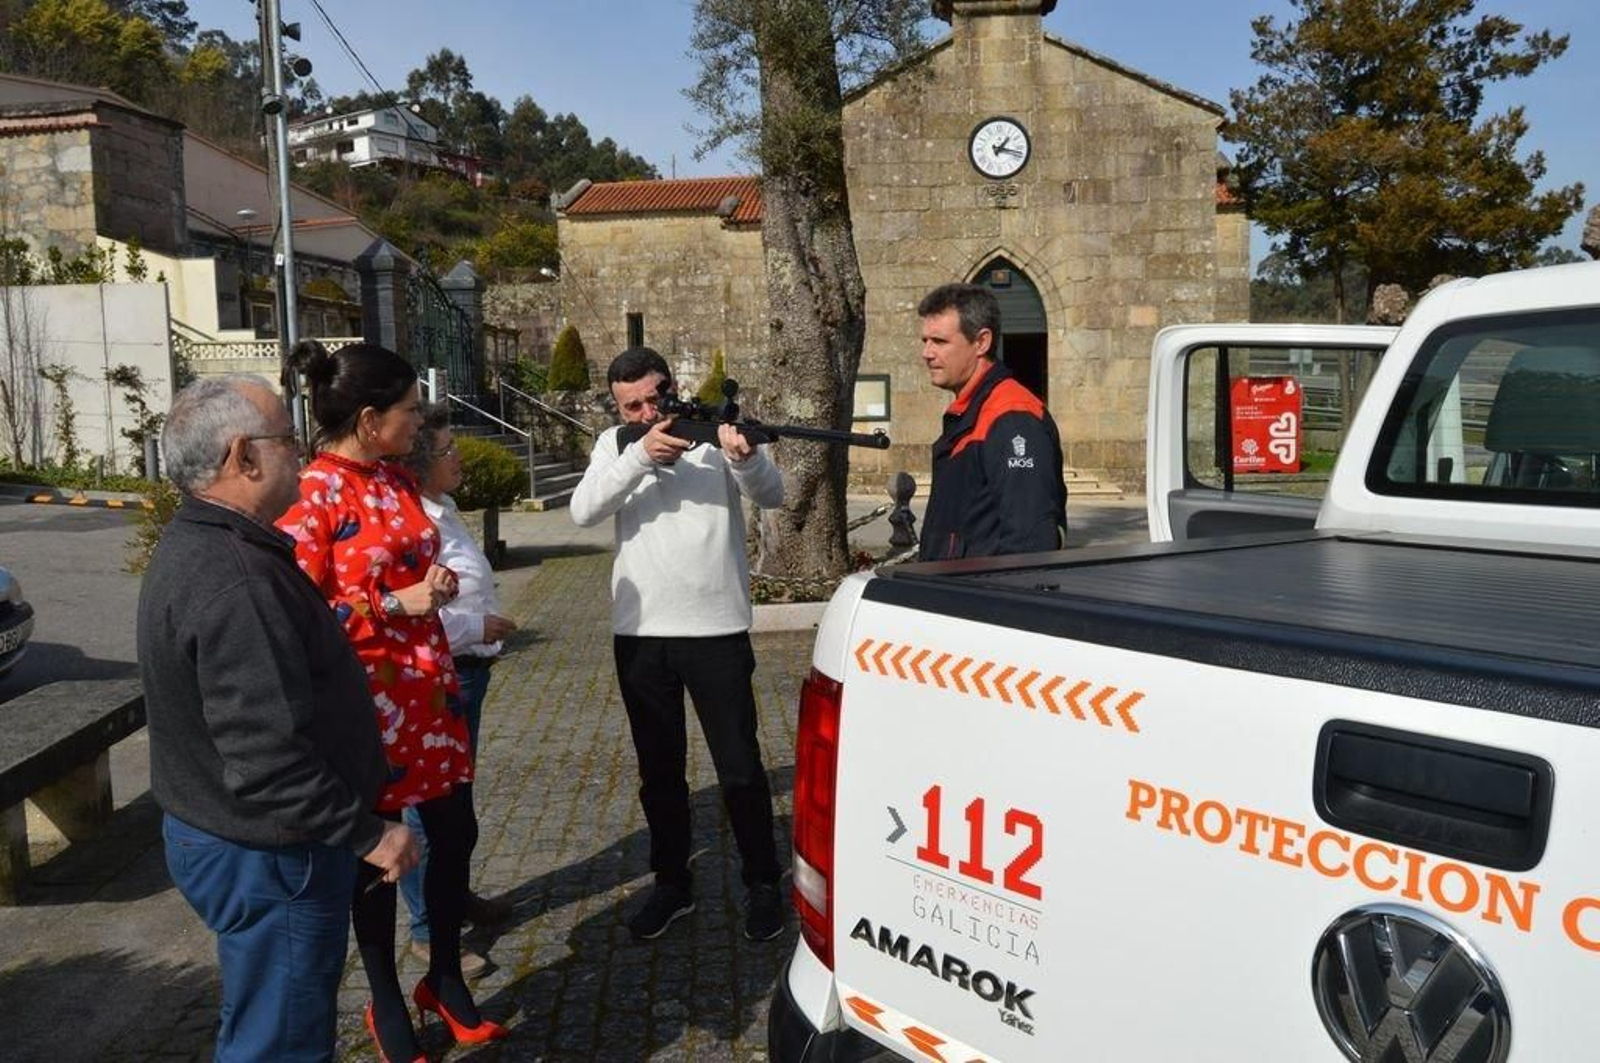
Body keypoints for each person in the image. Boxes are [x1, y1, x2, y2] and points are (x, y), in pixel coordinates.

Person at [139, 375, 419, 1062]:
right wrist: (366, 834)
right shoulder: (234, 577)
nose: (300, 454)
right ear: (244, 457)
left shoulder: (210, 544)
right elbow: (267, 754)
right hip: (267, 852)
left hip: (237, 836)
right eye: (287, 441)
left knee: (267, 1014)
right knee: (282, 1038)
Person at [277, 341, 508, 1061]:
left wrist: (433, 589)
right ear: (372, 418)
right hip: (367, 709)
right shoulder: (312, 494)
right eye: (409, 411)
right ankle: (383, 995)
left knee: (455, 832)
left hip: (430, 691)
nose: (420, 422)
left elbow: (413, 561)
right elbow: (296, 616)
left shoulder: (395, 480)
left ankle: (442, 970)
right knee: (382, 858)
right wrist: (390, 603)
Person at [570, 346, 788, 942]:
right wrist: (639, 454)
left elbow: (773, 494)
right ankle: (672, 883)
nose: (645, 411)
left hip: (716, 628)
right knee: (658, 773)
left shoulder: (713, 433)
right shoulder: (617, 445)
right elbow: (583, 510)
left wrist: (742, 459)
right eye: (630, 405)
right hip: (641, 636)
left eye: (653, 398)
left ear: (671, 387)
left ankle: (763, 881)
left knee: (740, 769)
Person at [396, 404, 518, 973]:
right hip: (441, 674)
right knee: (429, 808)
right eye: (446, 450)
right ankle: (426, 926)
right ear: (419, 466)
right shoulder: (413, 523)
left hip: (468, 673)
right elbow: (403, 612)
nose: (459, 457)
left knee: (458, 804)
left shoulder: (443, 509)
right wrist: (477, 627)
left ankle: (455, 896)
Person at [916, 282, 1067, 560]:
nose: (927, 353)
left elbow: (1029, 544)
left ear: (981, 342)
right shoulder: (970, 411)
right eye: (924, 341)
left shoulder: (1012, 417)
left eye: (939, 341)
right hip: (950, 596)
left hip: (979, 599)